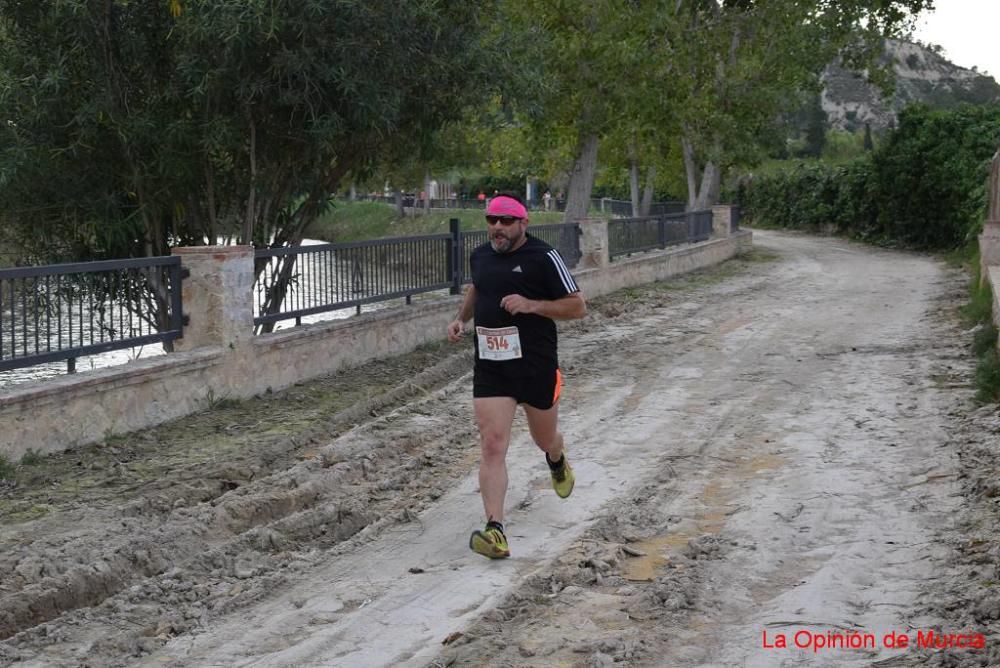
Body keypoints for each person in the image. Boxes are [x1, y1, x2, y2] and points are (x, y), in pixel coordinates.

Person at [446, 193, 587, 559]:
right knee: (493, 444)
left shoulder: (543, 258)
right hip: (492, 366)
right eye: (492, 220)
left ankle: (556, 458)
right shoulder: (480, 256)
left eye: (506, 221)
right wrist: (462, 318)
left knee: (544, 439)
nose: (497, 227)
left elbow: (578, 306)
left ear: (523, 224)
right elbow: (478, 286)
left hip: (535, 367)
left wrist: (531, 305)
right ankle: (496, 531)